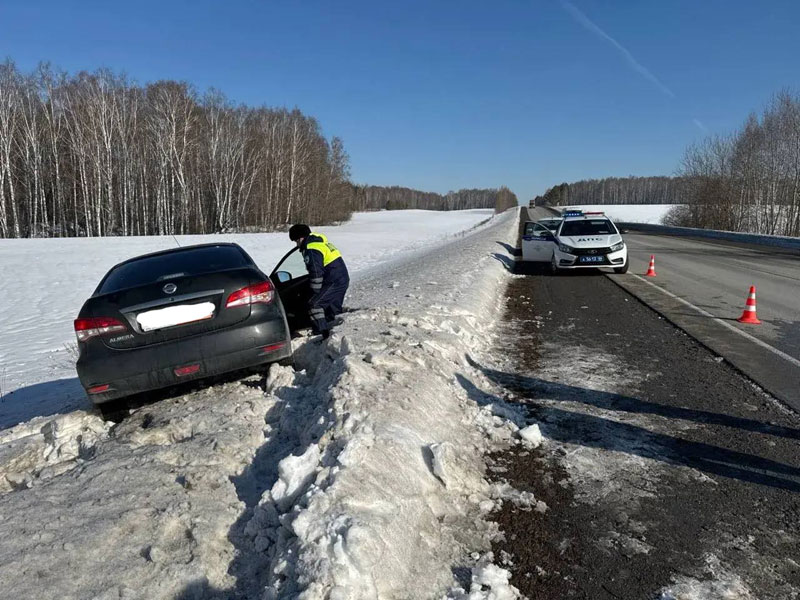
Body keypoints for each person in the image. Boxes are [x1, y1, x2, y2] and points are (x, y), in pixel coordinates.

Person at [288, 224, 350, 339]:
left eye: (296, 241)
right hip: (340, 279)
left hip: (334, 281)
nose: (297, 245)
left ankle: (321, 335)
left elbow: (316, 273)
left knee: (315, 305)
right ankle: (335, 336)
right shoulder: (319, 243)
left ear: (300, 238)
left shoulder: (311, 249)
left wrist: (314, 292)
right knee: (333, 311)